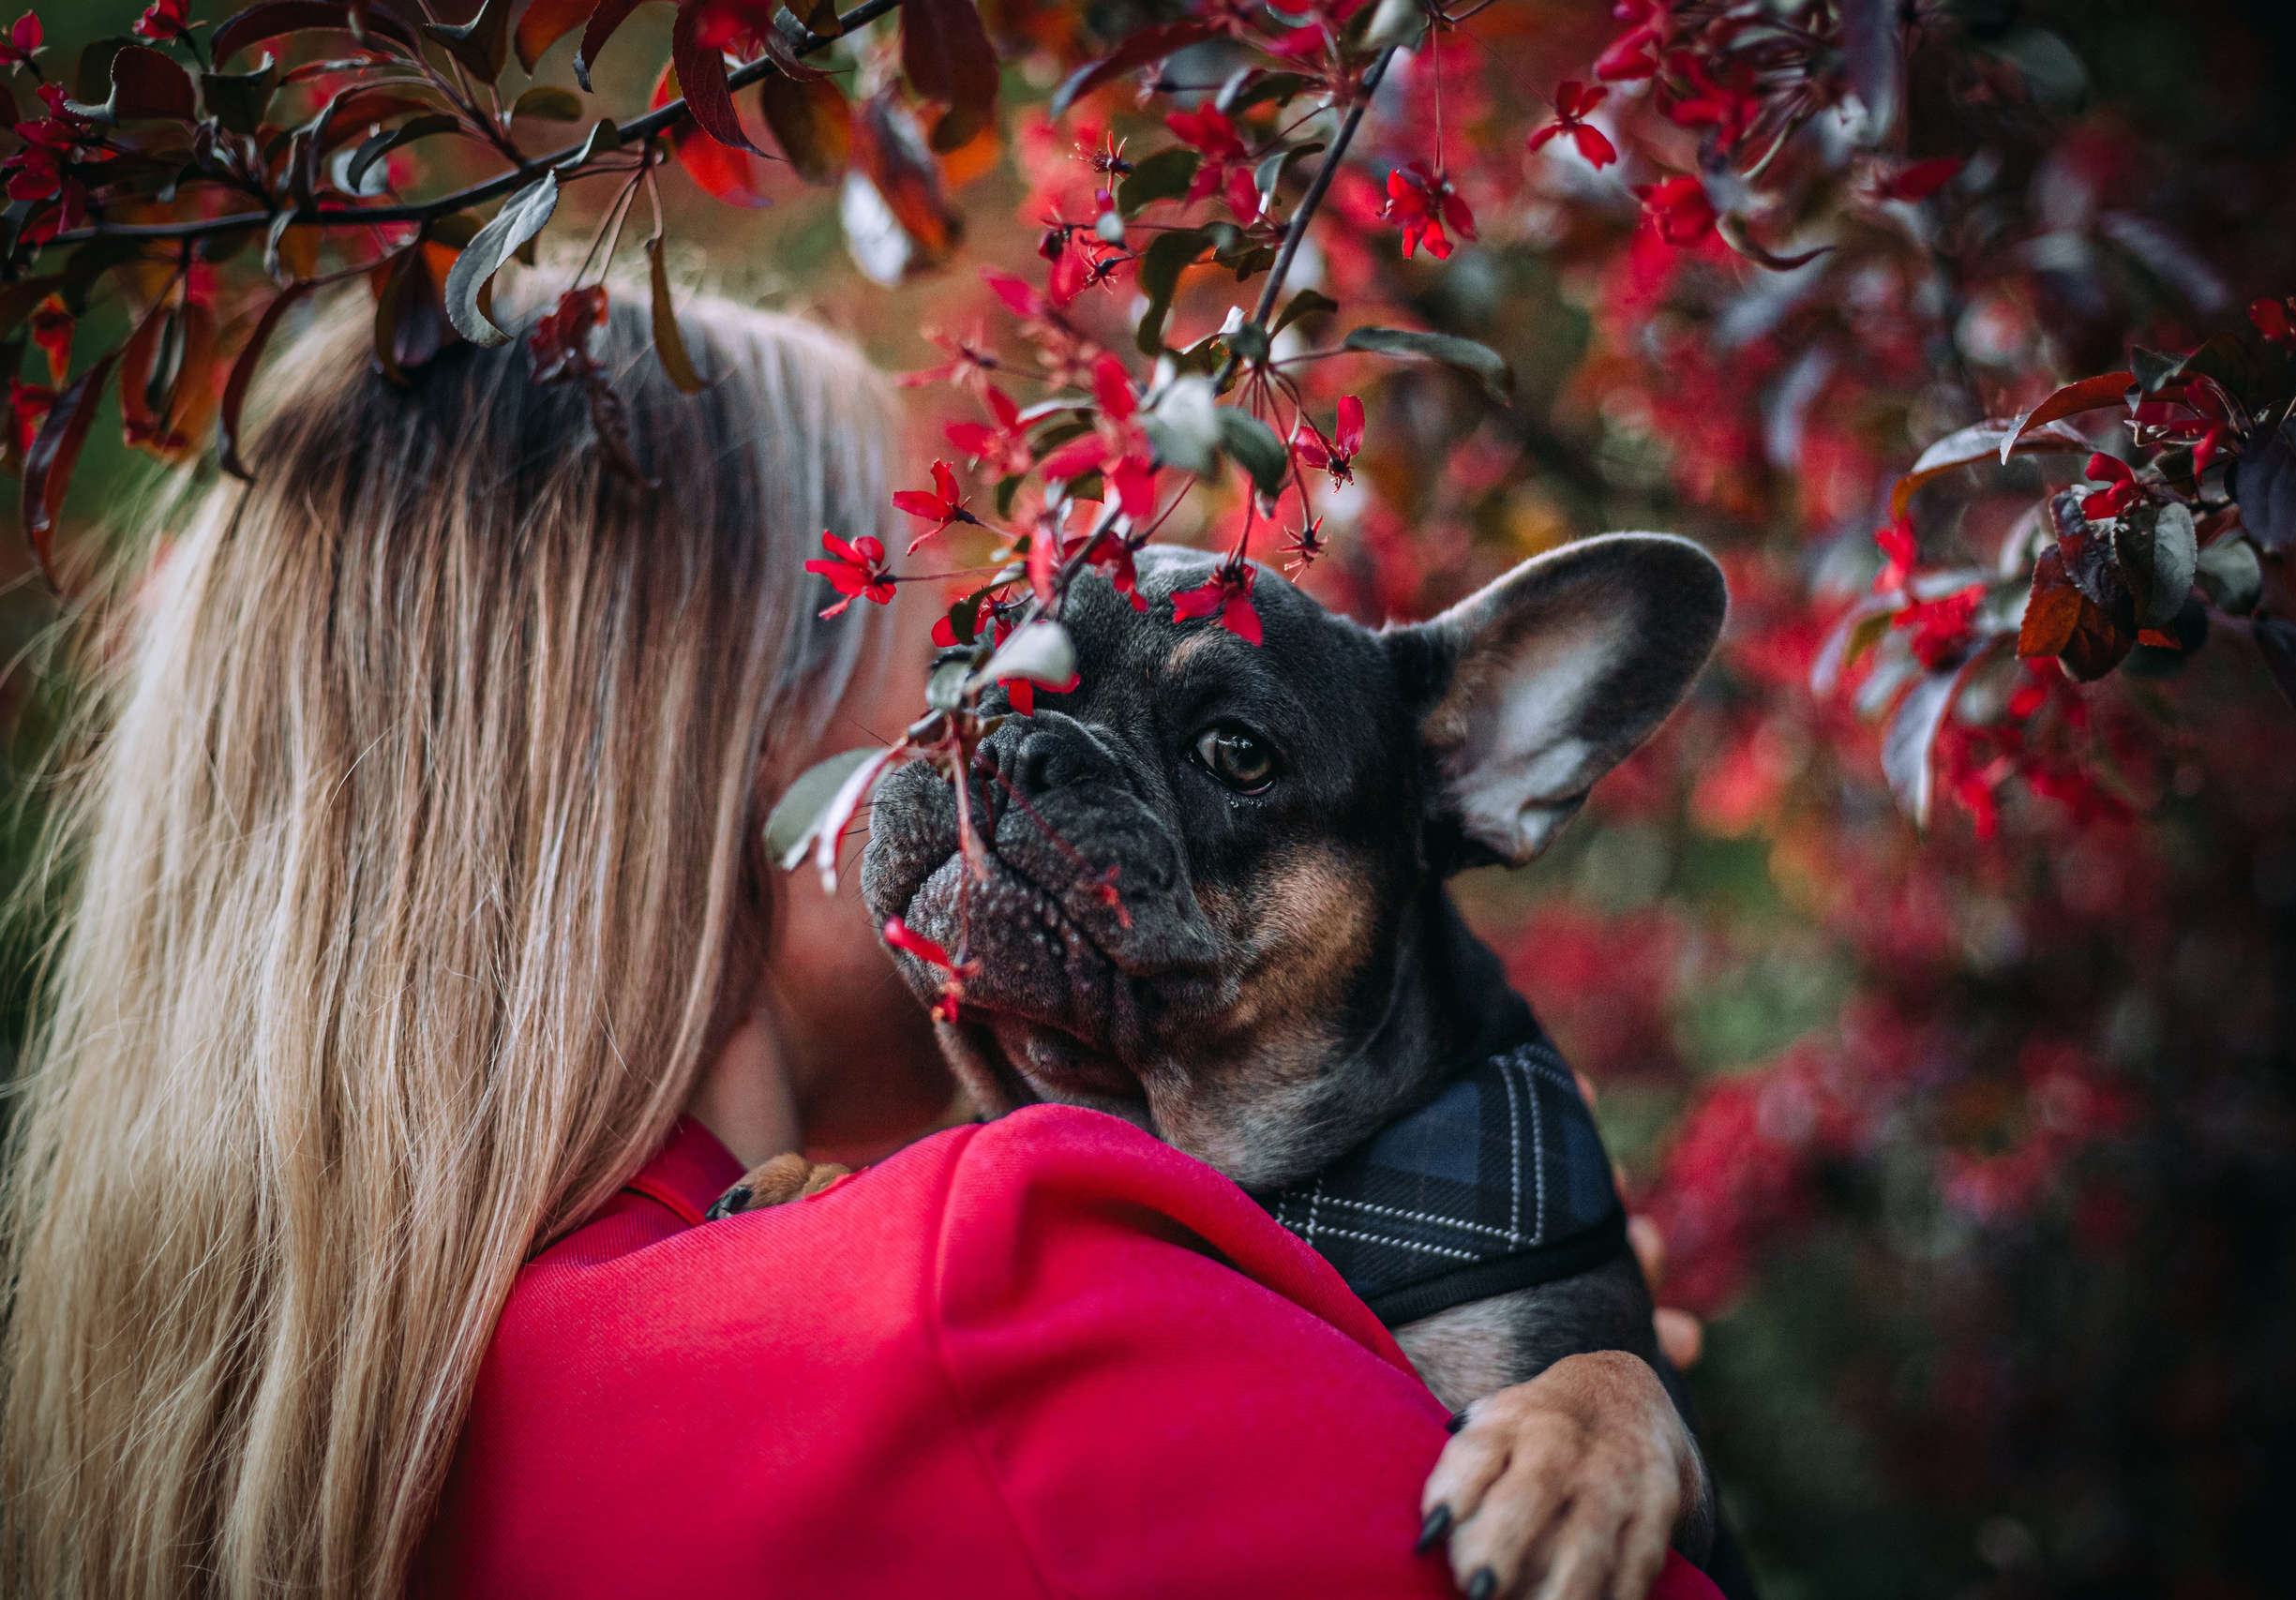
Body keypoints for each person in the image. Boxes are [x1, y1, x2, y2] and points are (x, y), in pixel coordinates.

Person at [0, 283, 1718, 1600]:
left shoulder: (309, 1430)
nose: (1006, 735)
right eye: (961, 651)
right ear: (703, 739)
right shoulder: (984, 1300)